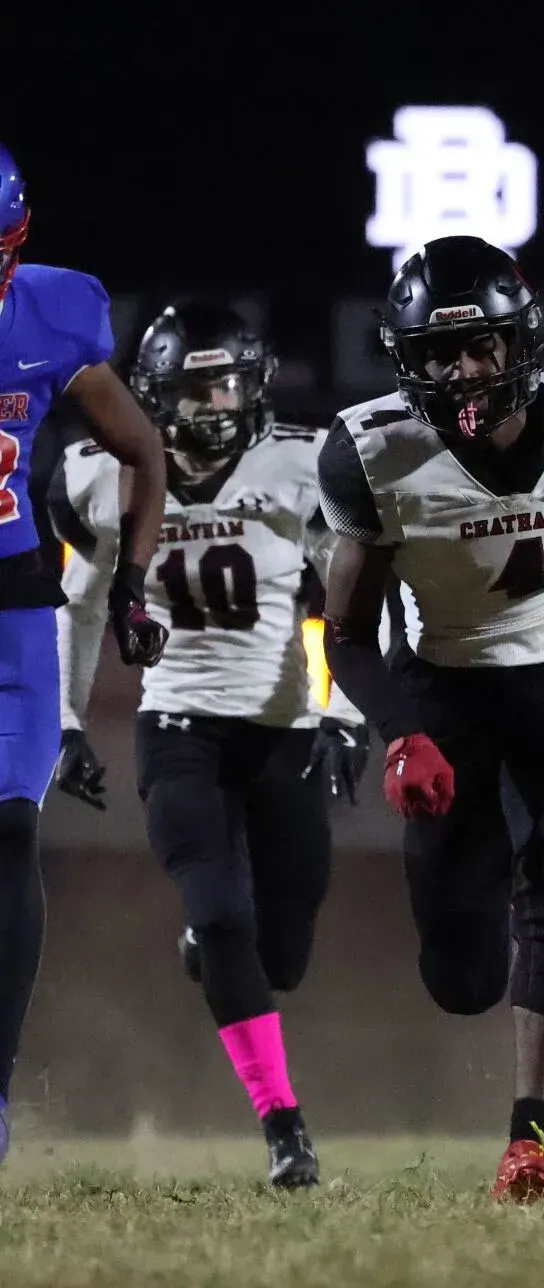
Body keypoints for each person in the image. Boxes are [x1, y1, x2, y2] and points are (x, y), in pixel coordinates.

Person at [317, 235, 544, 1202]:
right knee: (461, 976)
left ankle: (530, 1144)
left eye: (476, 350)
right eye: (436, 354)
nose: (461, 372)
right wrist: (400, 730)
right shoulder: (376, 456)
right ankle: (519, 924)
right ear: (407, 362)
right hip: (444, 691)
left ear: (520, 342)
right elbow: (343, 634)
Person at [48, 300, 369, 1187]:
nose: (207, 408)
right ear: (151, 396)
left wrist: (344, 711)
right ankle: (284, 1128)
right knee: (219, 911)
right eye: (188, 391)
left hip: (282, 729)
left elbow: (360, 596)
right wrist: (69, 723)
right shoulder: (104, 476)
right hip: (177, 723)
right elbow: (77, 606)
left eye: (223, 384)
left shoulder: (303, 465)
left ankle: (220, 951)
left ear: (256, 384)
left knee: (284, 954)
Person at [0, 141, 170, 1167]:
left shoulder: (53, 313)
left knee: (12, 834)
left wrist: (132, 581)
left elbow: (142, 449)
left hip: (13, 607)